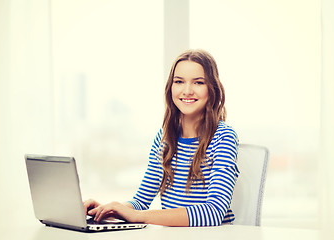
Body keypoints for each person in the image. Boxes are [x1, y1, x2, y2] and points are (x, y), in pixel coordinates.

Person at [83, 49, 239, 227]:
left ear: (212, 89)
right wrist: (108, 210)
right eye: (179, 81)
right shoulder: (165, 138)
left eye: (198, 82)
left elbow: (213, 212)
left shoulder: (223, 137)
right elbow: (140, 202)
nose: (187, 91)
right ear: (170, 88)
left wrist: (138, 216)